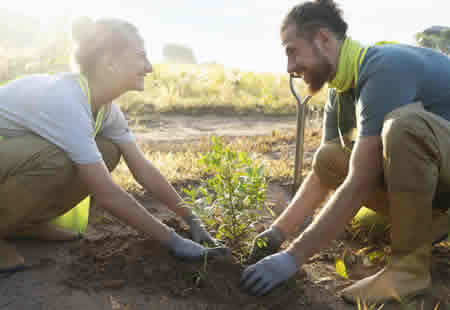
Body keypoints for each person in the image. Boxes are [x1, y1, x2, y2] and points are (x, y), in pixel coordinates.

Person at [241, 0, 450, 303]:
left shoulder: (383, 67)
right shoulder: (341, 92)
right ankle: (431, 224)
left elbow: (360, 180)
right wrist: (278, 233)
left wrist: (293, 257)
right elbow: (324, 173)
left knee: (404, 127)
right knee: (330, 156)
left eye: (292, 51)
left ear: (323, 40)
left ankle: (408, 270)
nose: (289, 67)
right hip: (439, 176)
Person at [0, 16, 226, 274]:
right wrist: (174, 242)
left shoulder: (106, 109)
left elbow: (142, 169)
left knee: (107, 149)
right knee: (57, 158)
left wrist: (191, 218)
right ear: (109, 62)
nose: (149, 67)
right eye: (141, 57)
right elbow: (106, 193)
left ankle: (25, 223)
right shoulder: (67, 100)